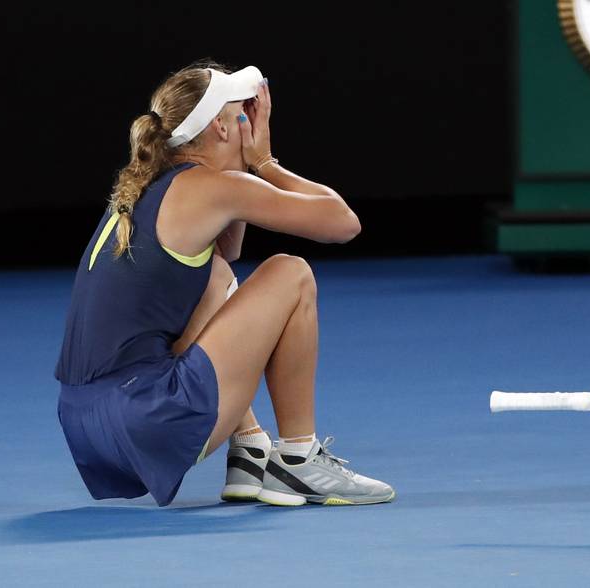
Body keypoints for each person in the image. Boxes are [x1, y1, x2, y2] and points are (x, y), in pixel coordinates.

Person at [54, 62, 394, 507]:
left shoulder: (152, 184)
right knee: (291, 273)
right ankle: (298, 461)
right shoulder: (212, 187)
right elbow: (343, 223)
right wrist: (265, 163)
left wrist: (242, 165)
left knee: (214, 274)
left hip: (88, 426)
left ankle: (250, 450)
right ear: (220, 125)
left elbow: (226, 256)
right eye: (243, 111)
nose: (251, 121)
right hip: (148, 419)